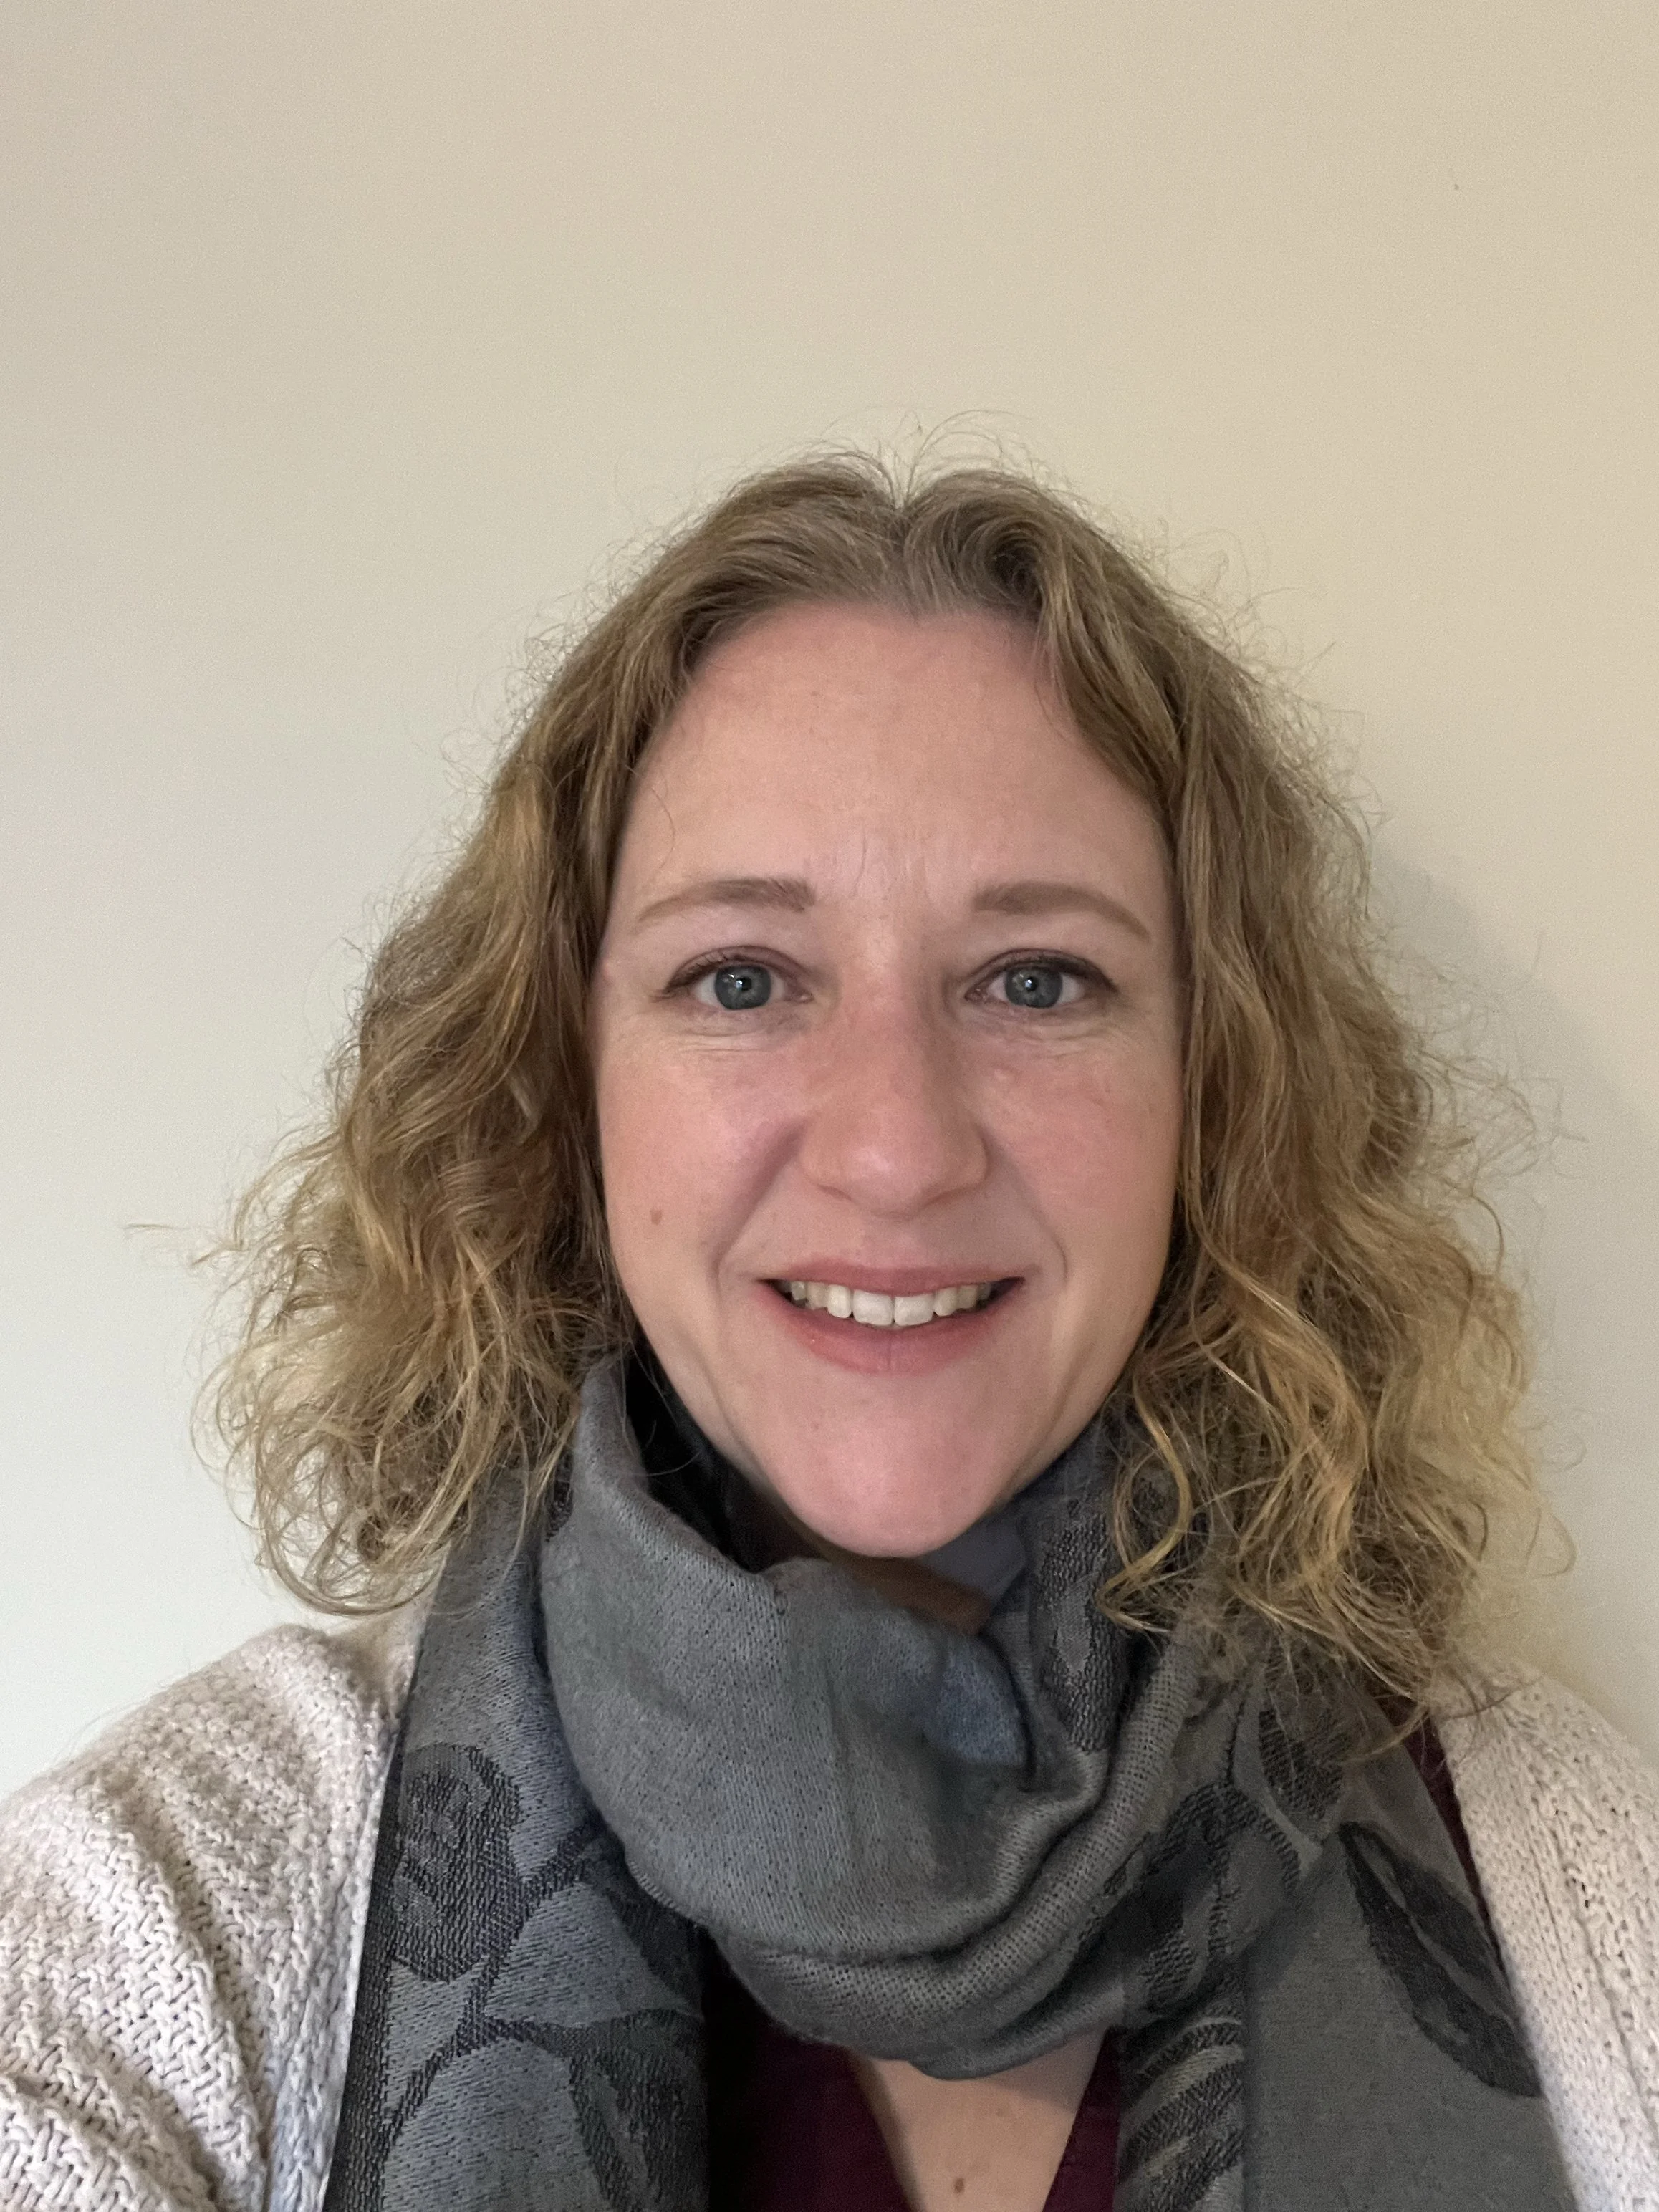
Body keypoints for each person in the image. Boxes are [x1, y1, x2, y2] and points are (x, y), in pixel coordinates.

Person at [1, 456, 1654, 2212]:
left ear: (1215, 1094)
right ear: (567, 1082)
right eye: (742, 978)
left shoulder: (1567, 1873)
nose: (895, 1146)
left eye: (1036, 979)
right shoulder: (166, 1915)